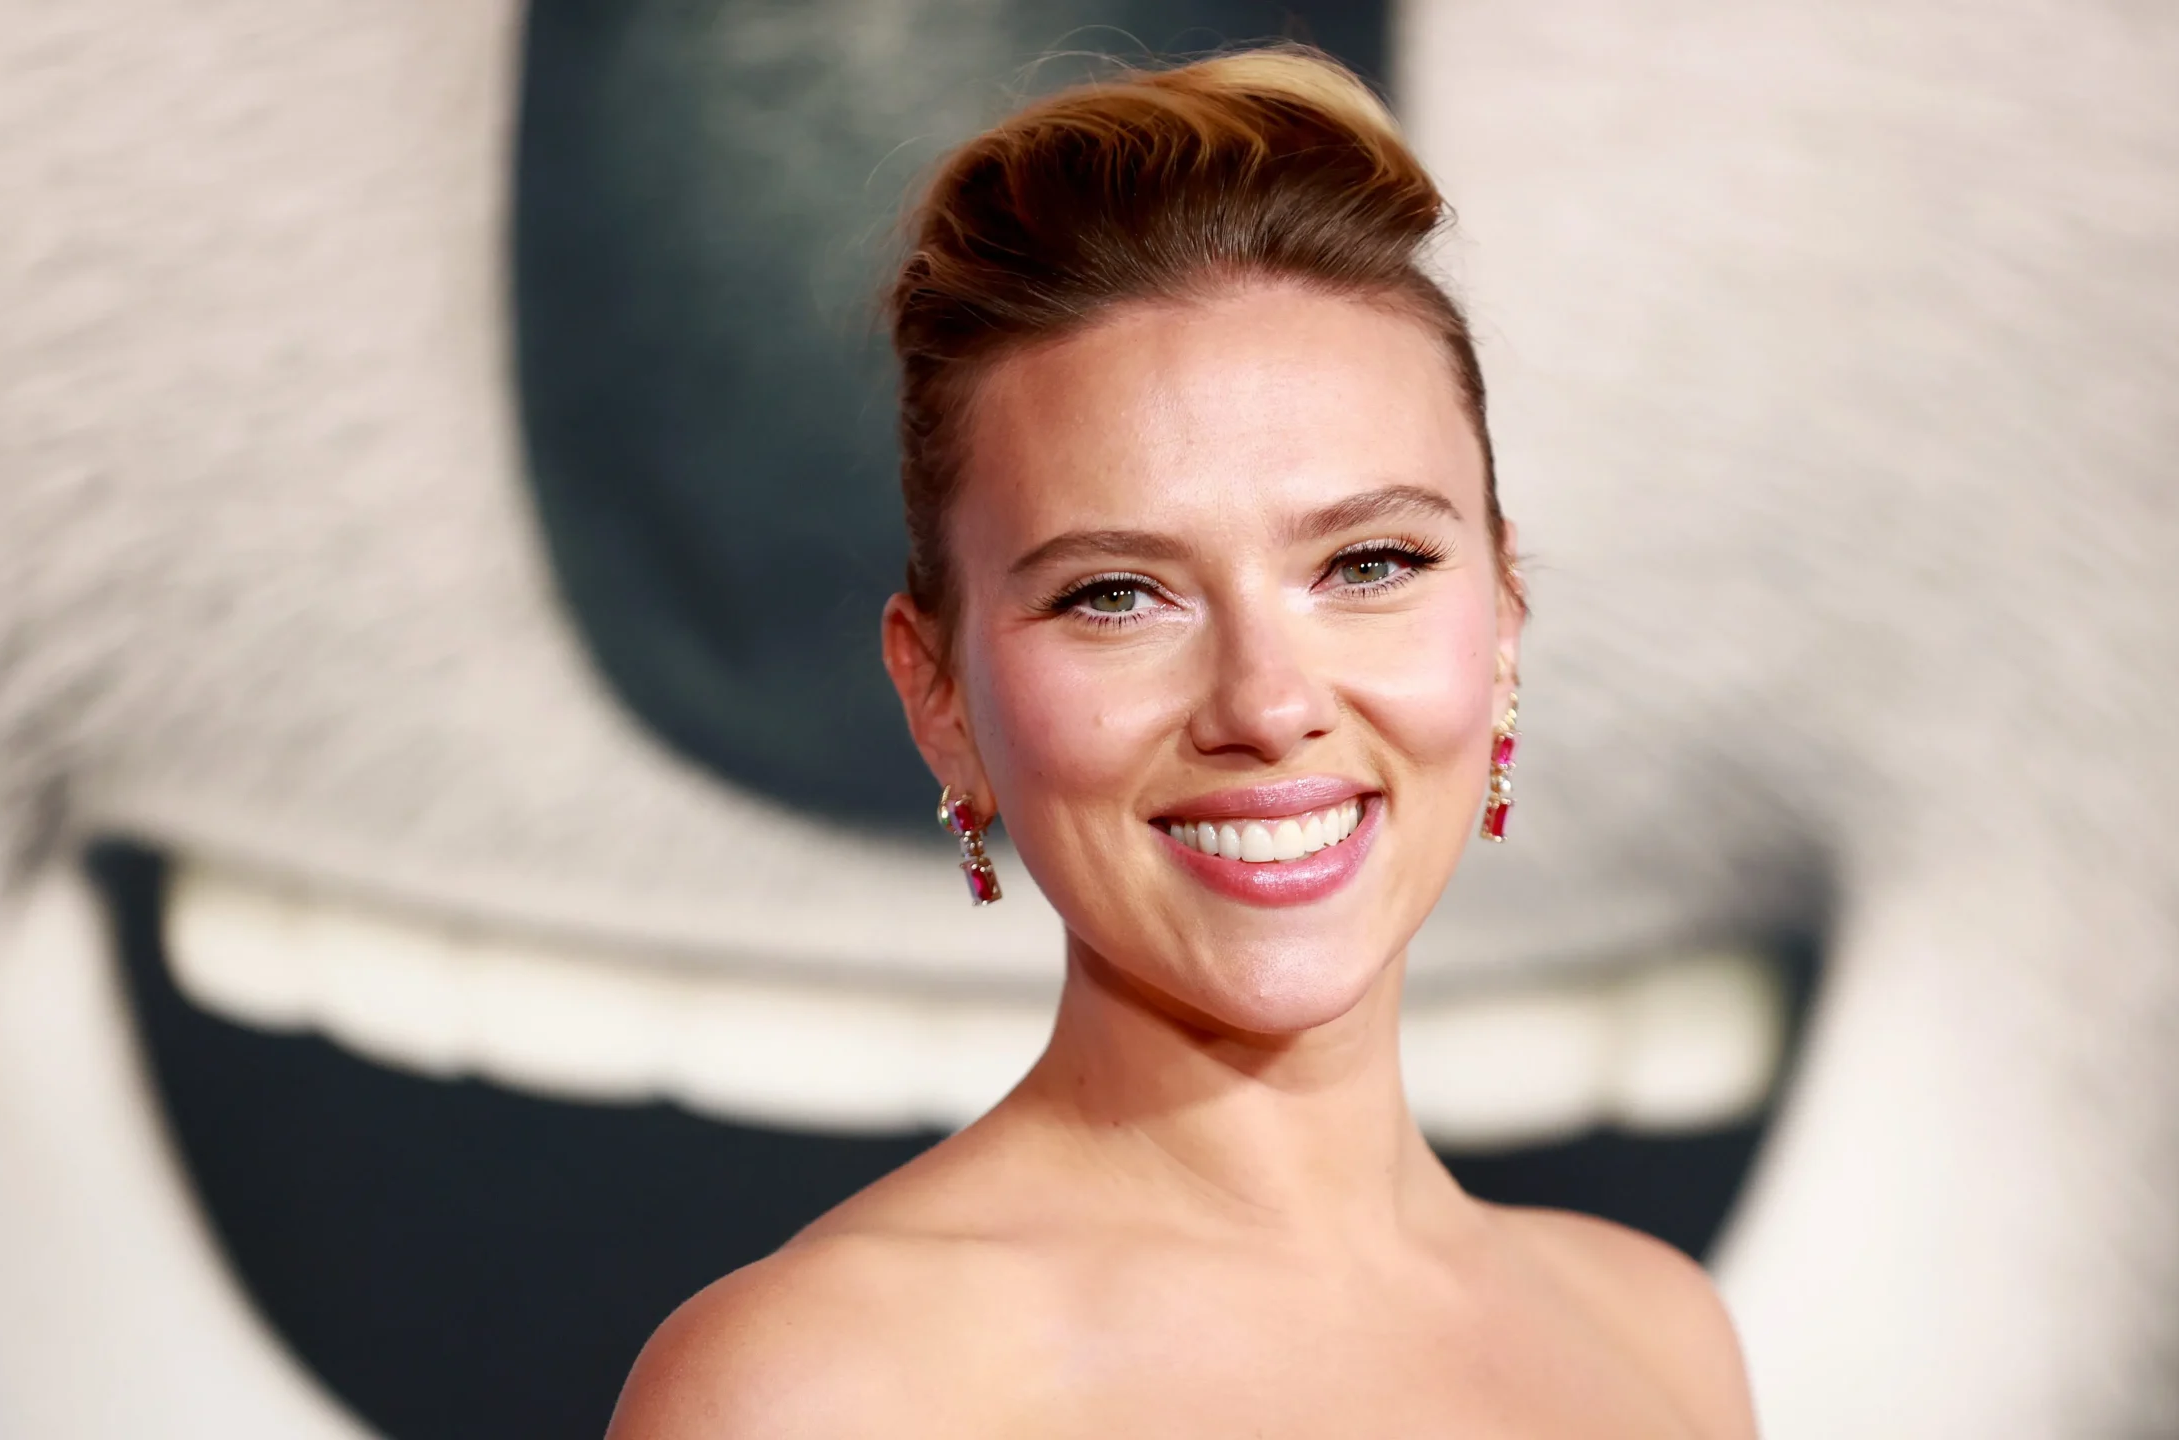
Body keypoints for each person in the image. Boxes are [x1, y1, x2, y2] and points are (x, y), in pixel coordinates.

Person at [609, 46, 1757, 1438]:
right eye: (1117, 595)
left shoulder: (1655, 1336)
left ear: (1503, 618)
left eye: (1371, 564)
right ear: (940, 697)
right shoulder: (817, 1387)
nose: (1266, 705)